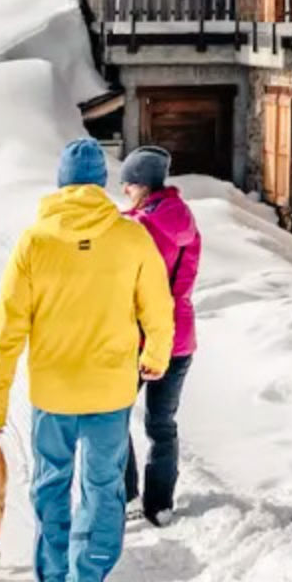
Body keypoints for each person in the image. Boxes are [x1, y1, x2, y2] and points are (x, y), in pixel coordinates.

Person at [0, 139, 174, 582]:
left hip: (53, 392)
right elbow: (158, 307)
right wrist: (154, 357)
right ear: (101, 185)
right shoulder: (131, 239)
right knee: (101, 491)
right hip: (109, 392)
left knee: (50, 485)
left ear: (62, 182)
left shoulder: (35, 242)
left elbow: (7, 330)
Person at [114, 148, 202, 522]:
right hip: (180, 334)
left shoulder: (137, 228)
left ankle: (129, 493)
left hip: (141, 334)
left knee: (114, 415)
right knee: (162, 424)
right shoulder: (185, 220)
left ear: (140, 186)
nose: (125, 192)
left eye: (128, 185)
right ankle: (160, 504)